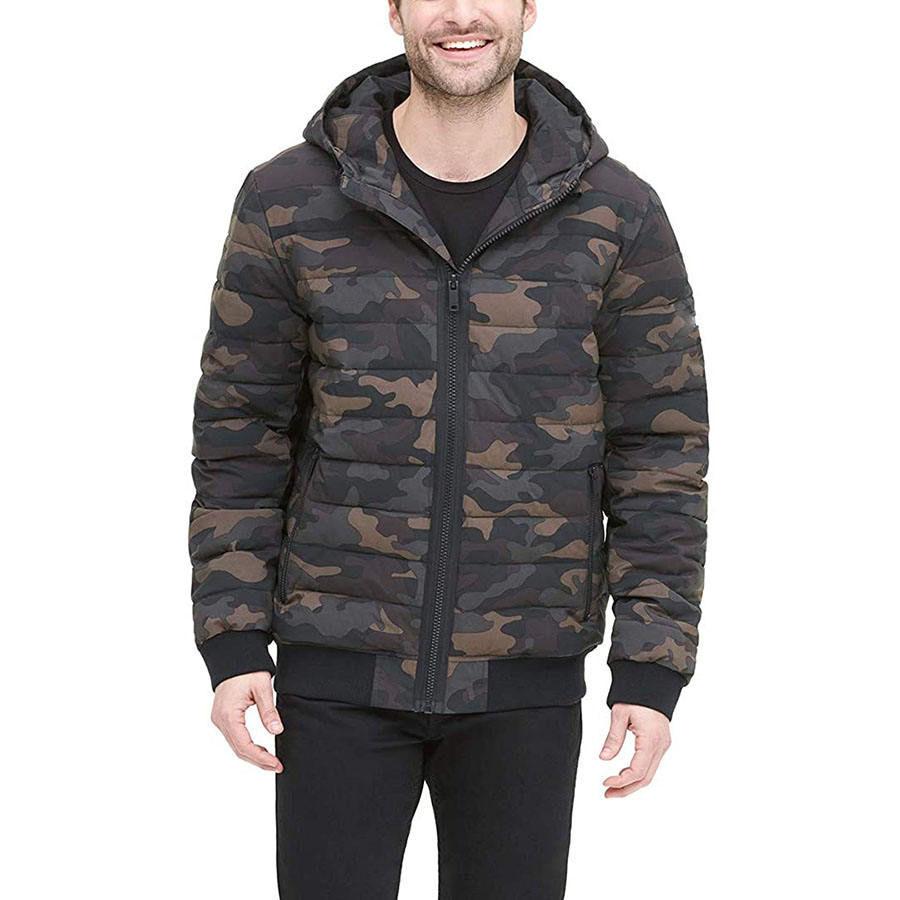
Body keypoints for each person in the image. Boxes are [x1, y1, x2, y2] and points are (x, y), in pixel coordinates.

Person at [187, 1, 709, 896]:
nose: (461, 14)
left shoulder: (616, 211)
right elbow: (240, 432)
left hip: (527, 682)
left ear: (528, 7)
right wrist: (232, 642)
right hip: (335, 677)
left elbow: (661, 451)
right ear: (394, 9)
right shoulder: (289, 199)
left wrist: (651, 665)